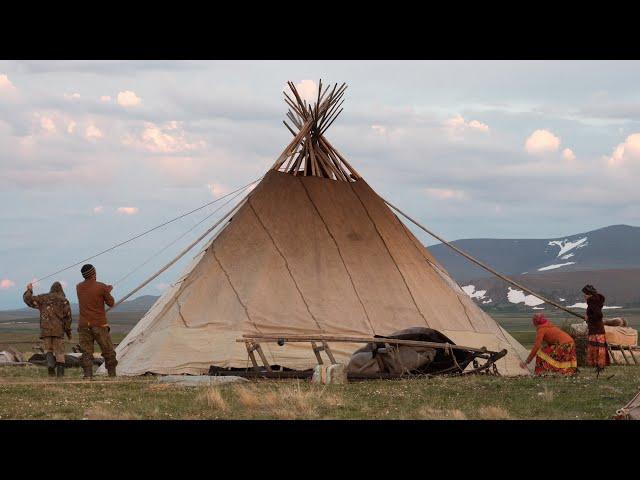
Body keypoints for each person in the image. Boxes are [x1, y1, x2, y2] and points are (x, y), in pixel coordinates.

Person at [23, 281, 72, 377]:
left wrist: (29, 290)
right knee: (59, 352)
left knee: (48, 350)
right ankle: (60, 375)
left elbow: (28, 300)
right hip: (58, 330)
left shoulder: (43, 298)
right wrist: (68, 331)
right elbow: (68, 318)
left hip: (45, 330)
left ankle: (50, 365)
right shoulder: (64, 300)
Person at [76, 264, 117, 378]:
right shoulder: (101, 287)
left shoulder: (78, 287)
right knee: (108, 351)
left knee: (86, 352)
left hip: (83, 325)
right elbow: (111, 303)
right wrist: (107, 291)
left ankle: (88, 376)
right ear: (94, 274)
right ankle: (112, 375)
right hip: (99, 324)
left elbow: (90, 294)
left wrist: (104, 290)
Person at [582, 284, 609, 373]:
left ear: (590, 294)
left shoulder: (592, 302)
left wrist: (588, 318)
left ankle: (600, 366)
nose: (584, 296)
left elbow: (598, 315)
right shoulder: (594, 301)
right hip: (597, 328)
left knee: (597, 349)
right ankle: (599, 367)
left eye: (585, 294)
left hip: (596, 330)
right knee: (597, 348)